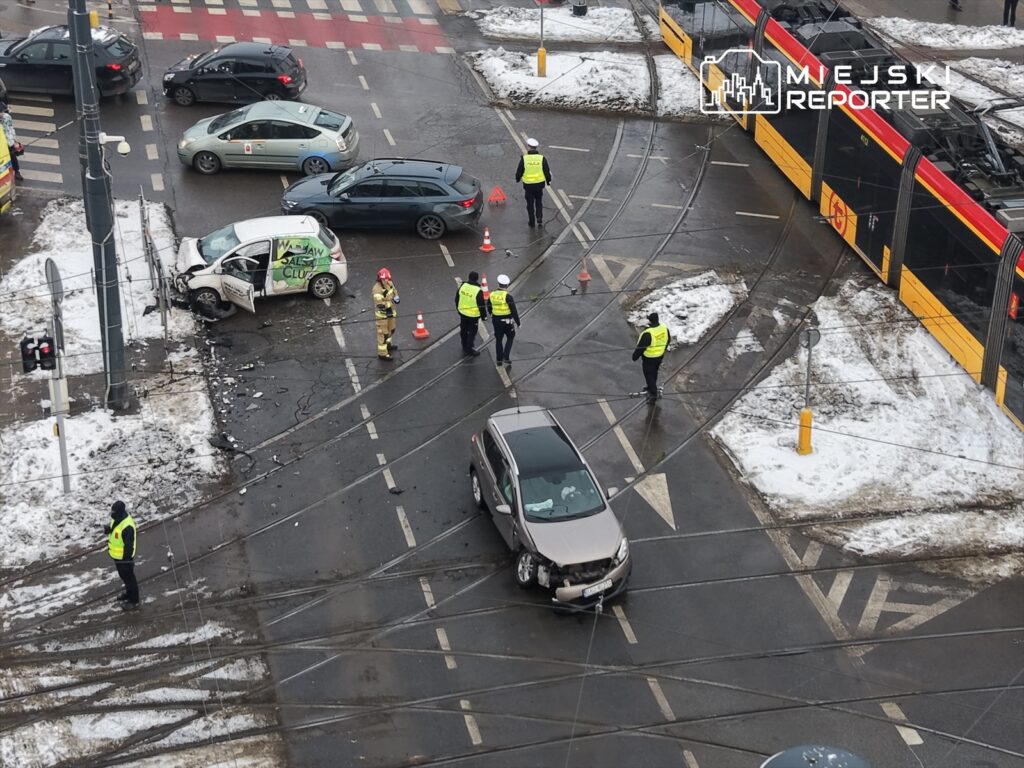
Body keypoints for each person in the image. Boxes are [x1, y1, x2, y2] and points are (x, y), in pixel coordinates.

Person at [104, 500, 139, 610]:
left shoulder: (127, 526)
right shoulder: (117, 519)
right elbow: (115, 531)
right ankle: (128, 594)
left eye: (114, 511)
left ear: (119, 511)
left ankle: (134, 600)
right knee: (124, 577)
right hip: (118, 557)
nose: (112, 513)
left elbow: (128, 546)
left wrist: (126, 560)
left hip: (125, 558)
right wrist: (109, 530)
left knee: (130, 578)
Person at [632, 311, 670, 402]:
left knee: (648, 374)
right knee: (654, 372)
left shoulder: (648, 333)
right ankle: (650, 387)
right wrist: (662, 350)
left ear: (650, 321)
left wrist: (634, 357)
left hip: (649, 358)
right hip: (659, 356)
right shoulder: (664, 328)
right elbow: (668, 339)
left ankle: (653, 394)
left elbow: (641, 347)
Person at [514, 137, 551, 228]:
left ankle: (531, 221)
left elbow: (519, 171)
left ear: (529, 147)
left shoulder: (524, 159)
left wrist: (517, 179)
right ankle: (539, 217)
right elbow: (546, 171)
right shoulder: (542, 158)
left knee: (530, 204)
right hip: (539, 185)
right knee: (539, 201)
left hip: (528, 186)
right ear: (536, 148)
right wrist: (548, 181)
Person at [488, 273, 521, 367]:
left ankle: (499, 359)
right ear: (507, 285)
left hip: (496, 321)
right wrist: (518, 323)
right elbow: (514, 311)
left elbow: (489, 307)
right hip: (507, 321)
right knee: (511, 336)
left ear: (498, 284)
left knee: (498, 339)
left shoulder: (492, 294)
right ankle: (506, 357)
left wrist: (492, 314)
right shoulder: (508, 297)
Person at [456, 271, 487, 356]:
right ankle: (469, 349)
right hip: (473, 316)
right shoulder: (478, 290)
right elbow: (481, 305)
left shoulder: (463, 286)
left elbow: (456, 298)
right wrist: (484, 316)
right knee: (472, 332)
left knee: (463, 330)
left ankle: (464, 344)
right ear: (477, 279)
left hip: (462, 313)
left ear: (469, 277)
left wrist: (458, 309)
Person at [372, 267, 399, 361]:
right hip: (382, 316)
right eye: (385, 279)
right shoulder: (377, 289)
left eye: (387, 278)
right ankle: (382, 353)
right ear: (380, 279)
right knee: (383, 334)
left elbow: (394, 290)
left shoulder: (389, 283)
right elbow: (380, 305)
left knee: (391, 330)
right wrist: (391, 302)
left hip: (391, 313)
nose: (386, 280)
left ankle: (388, 345)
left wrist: (397, 296)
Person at [0, 101, 23, 181]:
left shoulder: (7, 117)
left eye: (2, 112)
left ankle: (16, 171)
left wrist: (14, 139)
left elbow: (10, 128)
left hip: (8, 141)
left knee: (12, 156)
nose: (1, 114)